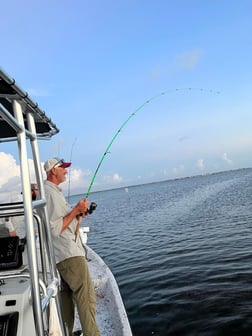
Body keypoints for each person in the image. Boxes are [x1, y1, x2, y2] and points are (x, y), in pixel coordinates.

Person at [43, 157, 100, 336]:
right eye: (63, 168)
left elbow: (63, 222)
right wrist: (75, 210)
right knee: (86, 298)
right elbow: (55, 228)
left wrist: (80, 215)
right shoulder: (50, 193)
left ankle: (67, 332)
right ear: (54, 171)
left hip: (62, 255)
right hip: (69, 254)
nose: (66, 171)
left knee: (66, 298)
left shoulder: (54, 192)